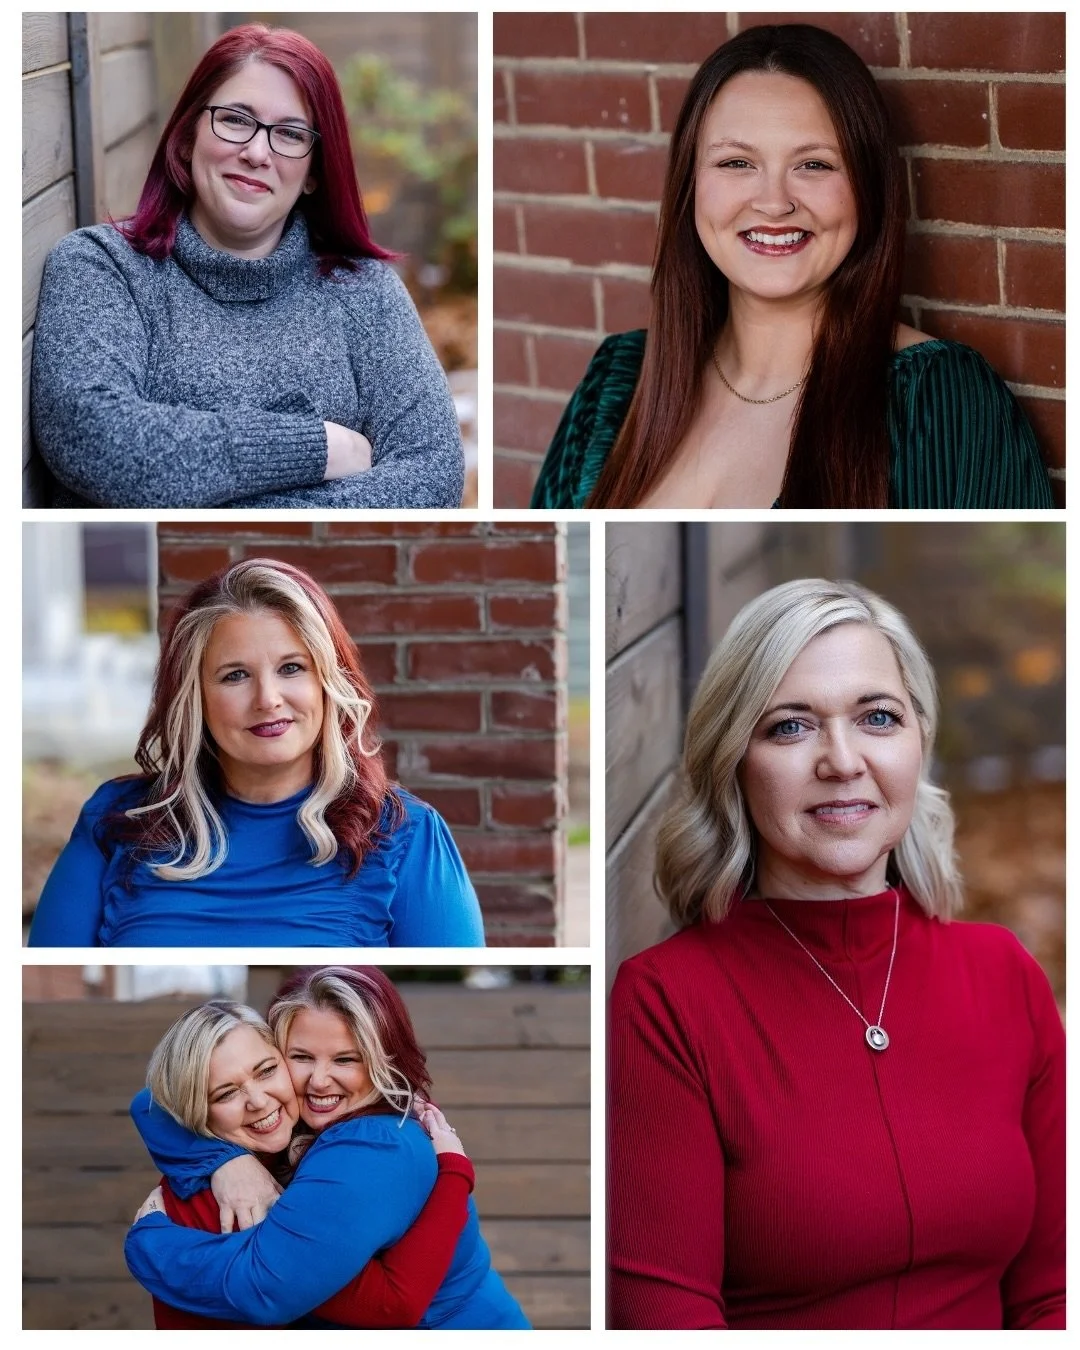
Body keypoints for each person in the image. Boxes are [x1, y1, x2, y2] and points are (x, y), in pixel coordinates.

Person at [608, 579, 1064, 1328]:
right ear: (734, 759)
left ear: (919, 739)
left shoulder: (1003, 974)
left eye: (877, 718)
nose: (842, 760)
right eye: (791, 728)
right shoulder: (667, 1002)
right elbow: (668, 1317)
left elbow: (1055, 1292)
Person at [531, 25, 1054, 509]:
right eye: (737, 162)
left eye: (815, 165)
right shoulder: (616, 384)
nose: (774, 202)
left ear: (867, 189)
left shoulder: (938, 400)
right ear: (691, 185)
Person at [31, 23, 464, 509]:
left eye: (290, 134)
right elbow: (93, 439)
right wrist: (319, 448)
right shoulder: (101, 268)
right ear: (185, 138)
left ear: (313, 173)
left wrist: (201, 490)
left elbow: (433, 475)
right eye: (236, 119)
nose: (257, 152)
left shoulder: (364, 290)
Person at [28, 559, 485, 946]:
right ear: (195, 697)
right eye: (234, 676)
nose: (267, 698)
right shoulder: (117, 820)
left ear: (328, 682)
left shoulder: (406, 834)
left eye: (291, 668)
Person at [126, 967, 531, 1329]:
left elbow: (283, 1291)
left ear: (382, 1060)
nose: (319, 1081)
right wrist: (226, 1162)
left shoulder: (369, 1148)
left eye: (345, 1059)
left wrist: (150, 1243)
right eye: (301, 1056)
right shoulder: (295, 1124)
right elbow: (152, 1102)